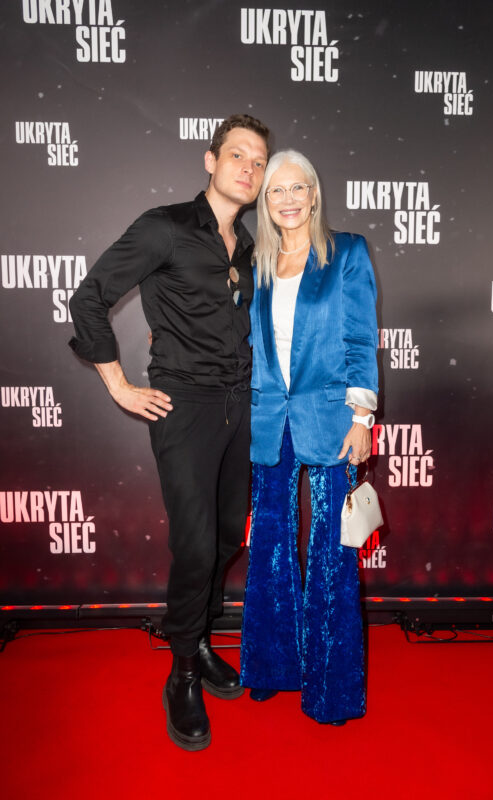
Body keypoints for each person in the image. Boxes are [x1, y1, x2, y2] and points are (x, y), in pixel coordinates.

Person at [68, 114, 270, 751]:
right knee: (195, 543)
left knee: (226, 537)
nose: (248, 168)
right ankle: (182, 670)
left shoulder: (250, 244)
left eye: (259, 161)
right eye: (236, 155)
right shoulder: (165, 226)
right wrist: (119, 386)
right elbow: (89, 297)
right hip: (184, 406)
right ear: (210, 160)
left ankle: (200, 641)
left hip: (241, 405)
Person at [239, 150, 378, 725]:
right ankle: (273, 667)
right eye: (276, 190)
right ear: (265, 202)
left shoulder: (347, 252)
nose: (288, 199)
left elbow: (360, 337)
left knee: (330, 550)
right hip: (269, 418)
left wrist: (362, 418)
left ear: (314, 194)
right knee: (270, 544)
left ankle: (331, 688)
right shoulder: (255, 262)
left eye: (298, 188)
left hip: (329, 418)